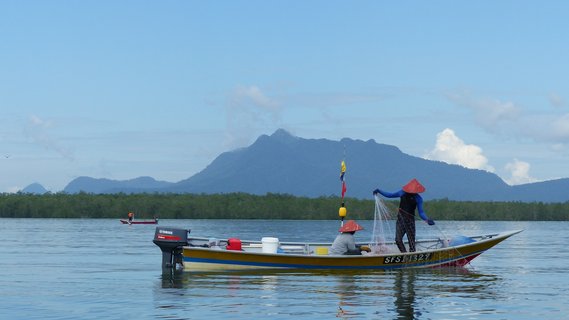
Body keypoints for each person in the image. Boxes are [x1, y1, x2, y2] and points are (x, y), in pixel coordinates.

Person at [373, 178, 435, 253]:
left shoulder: (418, 198)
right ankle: (404, 255)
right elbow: (390, 195)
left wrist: (427, 220)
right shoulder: (402, 193)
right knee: (398, 239)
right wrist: (379, 191)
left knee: (411, 242)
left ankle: (412, 255)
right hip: (400, 220)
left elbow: (421, 212)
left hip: (410, 221)